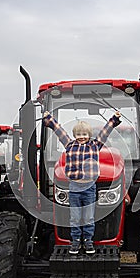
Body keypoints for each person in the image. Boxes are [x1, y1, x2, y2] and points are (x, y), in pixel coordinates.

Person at [43, 109, 121, 254]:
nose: (81, 137)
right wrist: (48, 118)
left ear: (89, 135)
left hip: (90, 187)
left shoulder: (95, 146)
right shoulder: (70, 145)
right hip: (74, 187)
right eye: (78, 134)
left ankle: (88, 241)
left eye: (84, 134)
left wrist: (114, 119)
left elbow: (106, 131)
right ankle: (75, 242)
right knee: (75, 217)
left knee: (88, 217)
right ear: (74, 135)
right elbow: (59, 131)